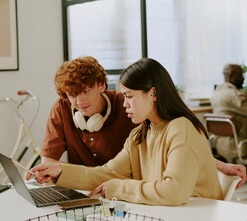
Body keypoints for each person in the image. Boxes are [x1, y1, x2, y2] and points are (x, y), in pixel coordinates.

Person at [29, 58, 236, 206]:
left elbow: (174, 192)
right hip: (168, 215)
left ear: (153, 93)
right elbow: (107, 173)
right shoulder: (140, 134)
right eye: (124, 96)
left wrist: (118, 188)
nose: (125, 103)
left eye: (129, 96)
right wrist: (60, 172)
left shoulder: (181, 128)